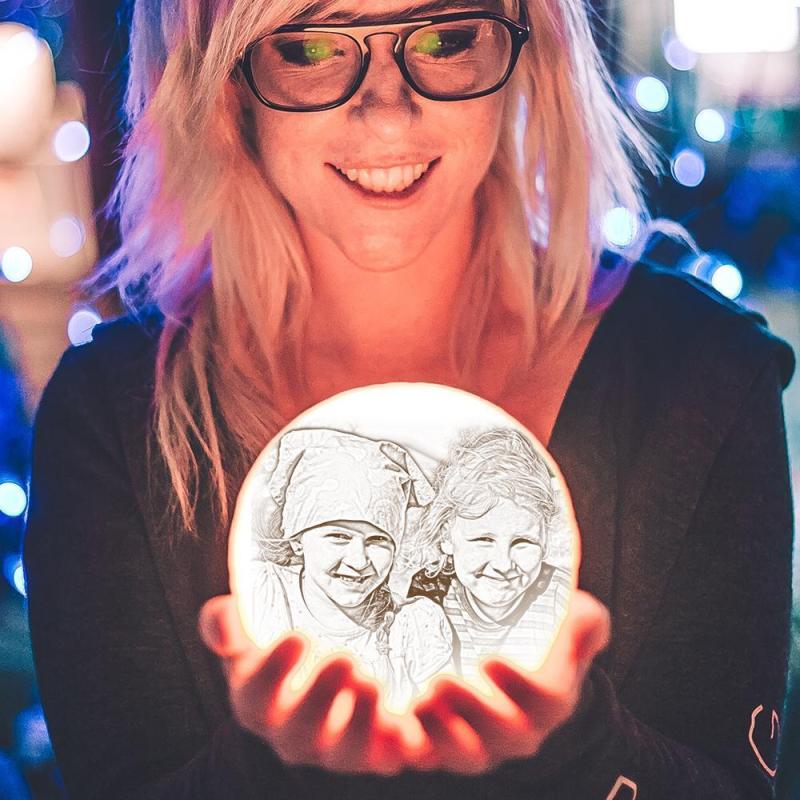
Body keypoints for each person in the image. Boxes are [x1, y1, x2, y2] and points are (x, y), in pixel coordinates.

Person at [22, 0, 794, 797]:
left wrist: (575, 747)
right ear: (221, 79)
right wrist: (270, 766)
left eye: (445, 37)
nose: (387, 112)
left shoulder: (697, 376)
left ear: (530, 51)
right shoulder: (114, 418)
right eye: (311, 47)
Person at [245, 427, 453, 711]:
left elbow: (442, 719)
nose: (359, 561)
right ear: (297, 541)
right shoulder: (262, 594)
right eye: (339, 536)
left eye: (377, 540)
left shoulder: (413, 626)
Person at [404, 428, 571, 680]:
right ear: (446, 537)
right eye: (483, 540)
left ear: (545, 541)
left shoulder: (562, 596)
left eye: (523, 542)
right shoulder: (430, 592)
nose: (503, 564)